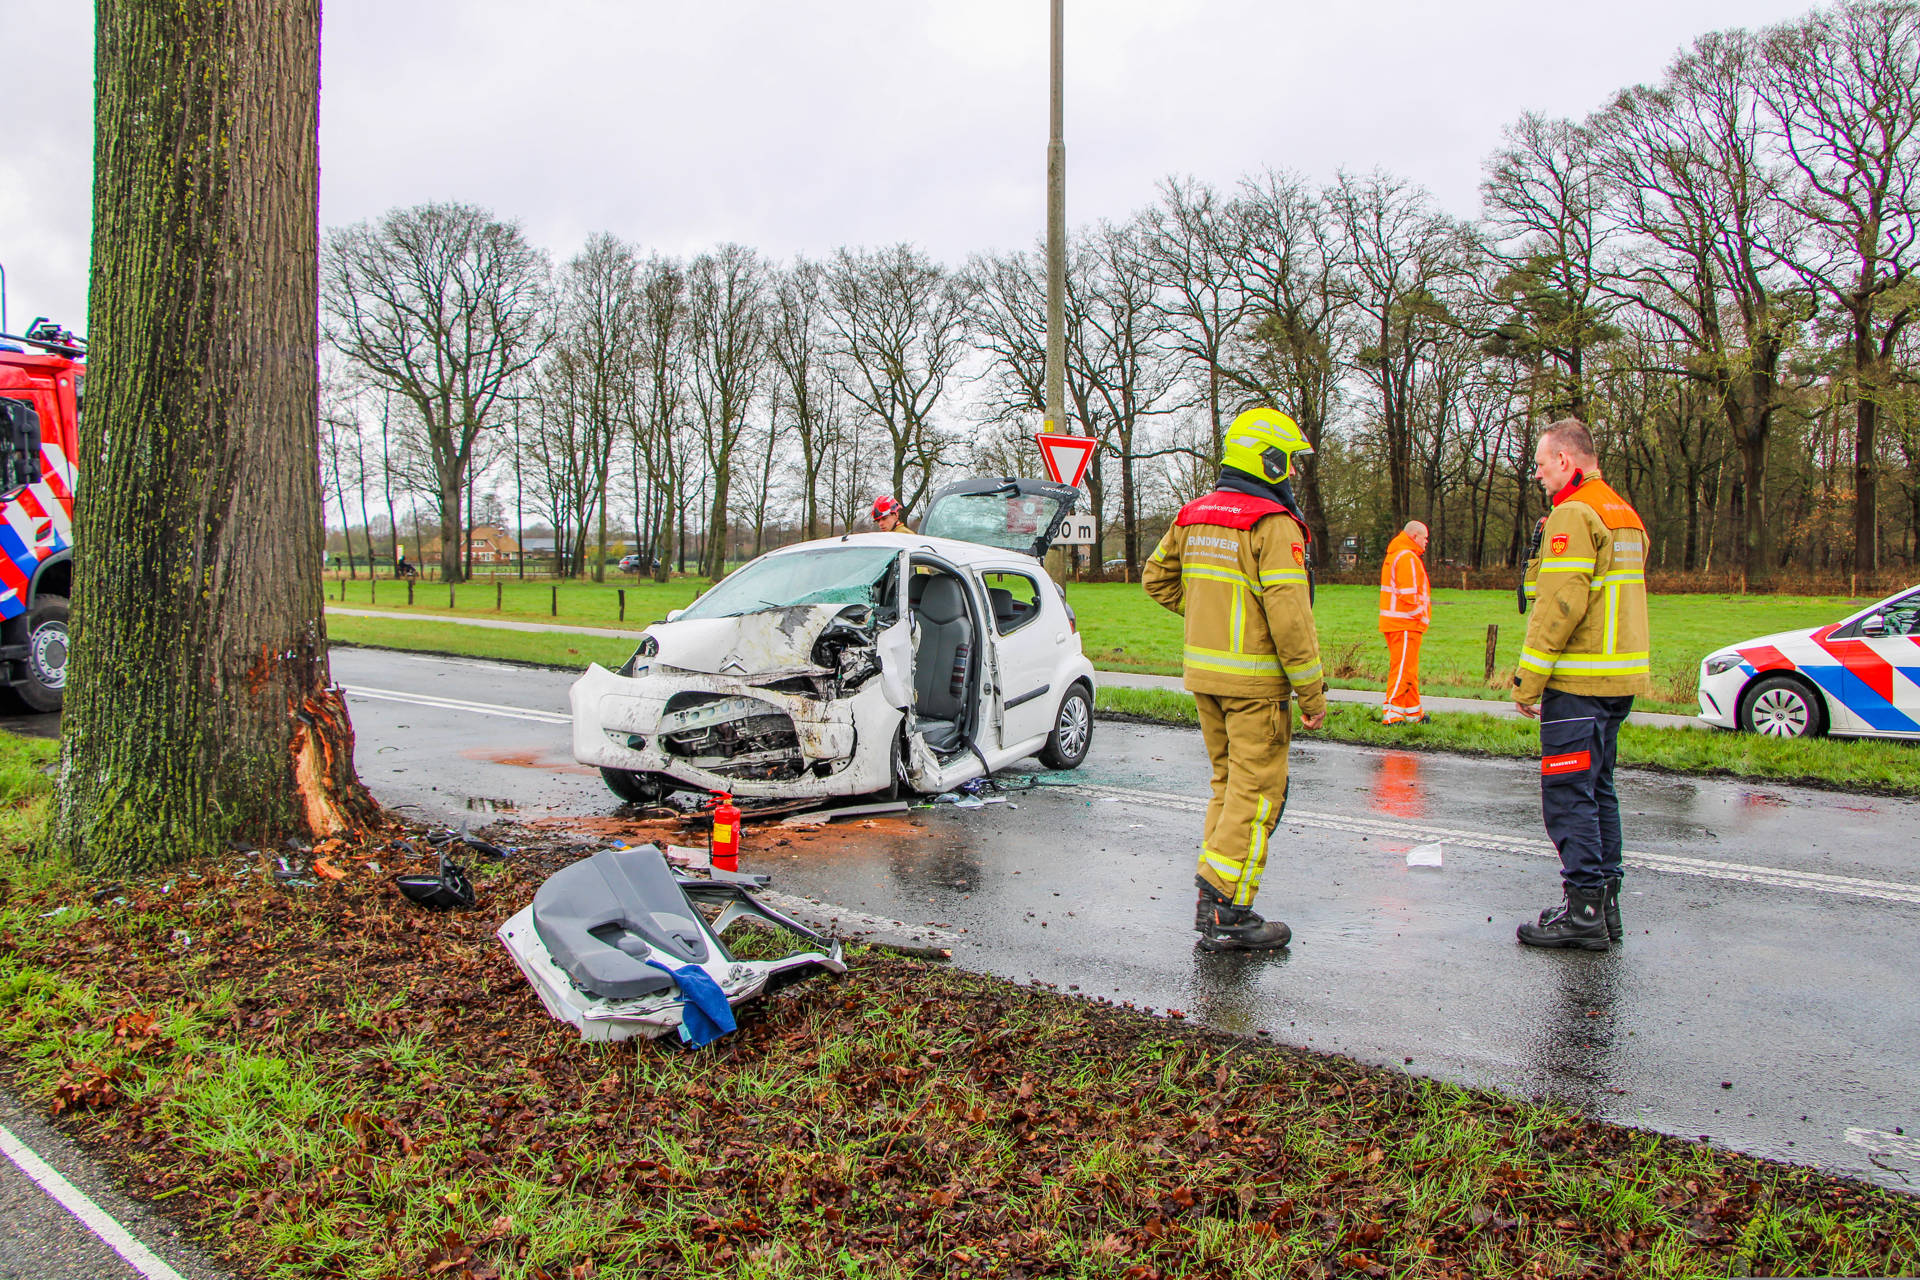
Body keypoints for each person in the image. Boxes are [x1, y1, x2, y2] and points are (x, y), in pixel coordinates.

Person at [1144, 407, 1327, 951]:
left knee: (1228, 788)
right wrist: (1312, 693)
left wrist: (1211, 619)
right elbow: (1291, 619)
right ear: (1267, 460)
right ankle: (1228, 910)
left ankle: (1213, 896)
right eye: (1288, 461)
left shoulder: (1193, 514)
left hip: (1206, 680)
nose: (1291, 472)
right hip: (1255, 689)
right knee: (1258, 793)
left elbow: (1157, 580)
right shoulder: (1272, 525)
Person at [1511, 419, 1651, 950]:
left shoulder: (1574, 512)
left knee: (1569, 795)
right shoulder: (1623, 511)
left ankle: (1584, 911)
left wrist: (1529, 679)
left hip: (1578, 678)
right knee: (1599, 791)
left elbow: (1558, 605)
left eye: (1543, 466)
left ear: (1567, 461)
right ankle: (1605, 907)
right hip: (1617, 678)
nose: (1541, 477)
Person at [1377, 521, 1431, 724]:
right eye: (1425, 538)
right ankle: (1392, 713)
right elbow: (1408, 593)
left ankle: (1412, 712)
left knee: (1408, 669)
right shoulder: (1407, 557)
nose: (1426, 542)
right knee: (1402, 669)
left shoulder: (1399, 554)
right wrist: (1421, 614)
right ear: (1415, 536)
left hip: (1399, 622)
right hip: (1405, 622)